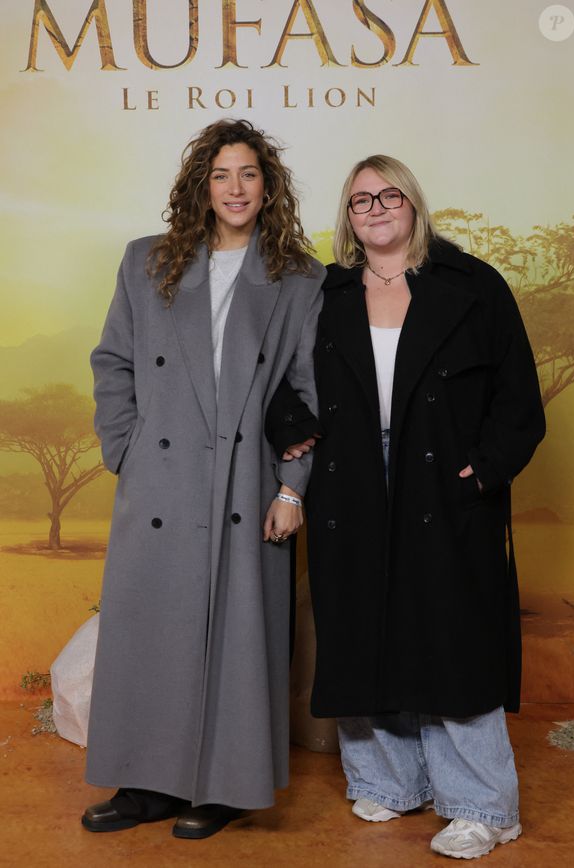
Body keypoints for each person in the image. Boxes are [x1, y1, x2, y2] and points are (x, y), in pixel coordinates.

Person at [266, 155, 545, 859]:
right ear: (349, 219)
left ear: (413, 205)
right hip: (351, 479)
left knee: (452, 638)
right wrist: (293, 435)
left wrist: (482, 473)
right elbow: (276, 382)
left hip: (444, 479)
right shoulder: (322, 295)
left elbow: (518, 400)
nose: (378, 207)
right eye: (362, 200)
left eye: (391, 195)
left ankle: (482, 805)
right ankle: (390, 783)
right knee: (362, 628)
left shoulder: (473, 285)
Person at [83, 119, 324, 839]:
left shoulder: (298, 277)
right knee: (149, 630)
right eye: (221, 175)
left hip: (246, 484)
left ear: (268, 185)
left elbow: (308, 391)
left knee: (238, 636)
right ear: (201, 185)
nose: (235, 188)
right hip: (159, 478)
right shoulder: (145, 261)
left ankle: (225, 787)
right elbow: (113, 361)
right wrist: (124, 449)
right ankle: (146, 785)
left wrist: (292, 489)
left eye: (249, 174)